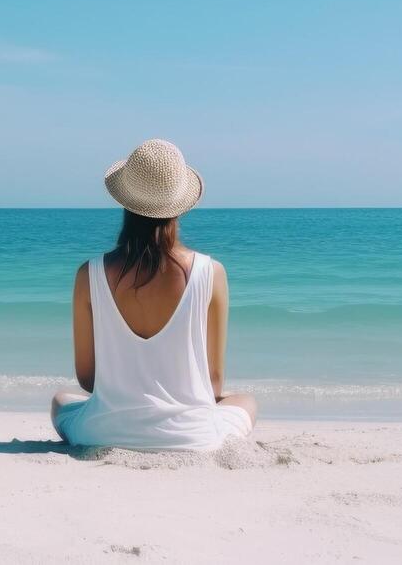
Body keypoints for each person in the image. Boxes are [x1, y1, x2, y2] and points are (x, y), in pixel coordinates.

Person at [50, 139, 258, 450]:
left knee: (60, 400)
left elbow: (88, 380)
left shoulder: (89, 275)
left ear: (126, 203)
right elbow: (213, 383)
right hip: (192, 437)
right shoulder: (210, 273)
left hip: (105, 432)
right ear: (179, 206)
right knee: (245, 401)